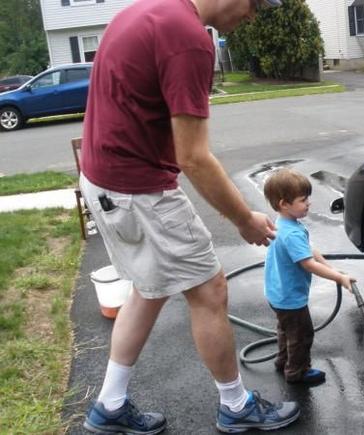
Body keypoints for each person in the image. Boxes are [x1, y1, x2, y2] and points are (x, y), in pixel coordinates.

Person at [78, 0, 301, 433]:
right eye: (256, 5)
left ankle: (109, 403)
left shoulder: (144, 11)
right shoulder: (189, 39)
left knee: (149, 288)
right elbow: (194, 158)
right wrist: (243, 218)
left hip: (103, 179)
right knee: (210, 291)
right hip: (138, 190)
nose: (253, 17)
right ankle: (236, 406)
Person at [263, 168, 355, 385]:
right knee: (302, 335)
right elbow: (308, 264)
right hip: (291, 297)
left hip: (277, 293)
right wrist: (337, 278)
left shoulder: (284, 223)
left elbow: (309, 250)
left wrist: (331, 268)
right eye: (303, 200)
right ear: (285, 204)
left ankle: (282, 359)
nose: (309, 203)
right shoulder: (292, 232)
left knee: (285, 329)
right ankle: (297, 372)